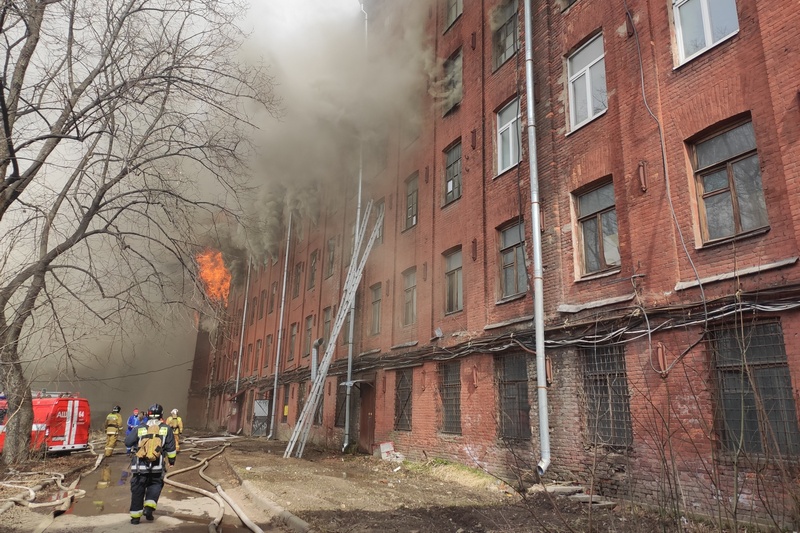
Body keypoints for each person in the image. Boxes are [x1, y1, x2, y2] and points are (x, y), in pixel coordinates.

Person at [125, 403, 176, 525]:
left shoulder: (140, 428)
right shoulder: (166, 429)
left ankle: (135, 518)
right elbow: (171, 449)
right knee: (155, 486)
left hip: (139, 467)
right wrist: (171, 461)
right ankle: (148, 509)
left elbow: (128, 442)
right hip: (157, 468)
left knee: (138, 490)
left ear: (148, 414)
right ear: (161, 415)